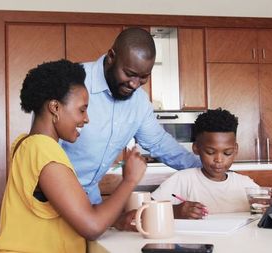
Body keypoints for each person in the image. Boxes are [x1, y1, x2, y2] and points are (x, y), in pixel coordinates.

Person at [0, 59, 147, 253]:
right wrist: (129, 180)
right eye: (82, 109)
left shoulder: (25, 144)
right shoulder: (43, 149)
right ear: (55, 107)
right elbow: (92, 226)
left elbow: (66, 215)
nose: (86, 119)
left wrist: (116, 220)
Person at [60, 27, 201, 221]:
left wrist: (205, 168)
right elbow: (45, 145)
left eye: (143, 77)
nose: (135, 84)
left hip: (91, 202)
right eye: (129, 73)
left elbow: (160, 143)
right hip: (55, 197)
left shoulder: (139, 103)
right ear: (111, 56)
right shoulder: (71, 81)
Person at [152, 108, 260, 217]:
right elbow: (145, 210)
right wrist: (175, 211)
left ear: (235, 149)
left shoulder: (245, 184)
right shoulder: (183, 180)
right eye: (210, 152)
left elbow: (267, 206)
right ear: (196, 148)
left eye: (227, 153)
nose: (219, 159)